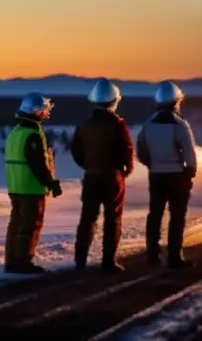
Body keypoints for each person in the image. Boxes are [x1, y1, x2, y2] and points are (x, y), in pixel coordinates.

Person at [71, 78, 135, 273]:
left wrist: (89, 166)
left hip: (91, 177)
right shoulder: (118, 125)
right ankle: (108, 262)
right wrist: (125, 170)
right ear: (114, 100)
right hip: (112, 177)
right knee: (112, 218)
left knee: (87, 218)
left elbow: (76, 151)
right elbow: (128, 150)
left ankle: (80, 261)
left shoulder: (83, 126)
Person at [136, 80, 198, 268]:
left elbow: (141, 152)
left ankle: (152, 255)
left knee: (155, 215)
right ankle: (174, 257)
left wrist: (153, 165)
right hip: (177, 176)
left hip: (156, 176)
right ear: (176, 102)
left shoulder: (147, 125)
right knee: (177, 217)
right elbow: (190, 154)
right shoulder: (180, 125)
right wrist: (190, 173)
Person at [4, 92, 62, 274]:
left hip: (15, 186)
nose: (46, 113)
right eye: (44, 109)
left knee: (16, 224)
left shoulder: (16, 132)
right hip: (31, 188)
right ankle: (22, 262)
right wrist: (50, 183)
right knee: (30, 225)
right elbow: (37, 164)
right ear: (37, 111)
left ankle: (12, 260)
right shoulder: (32, 134)